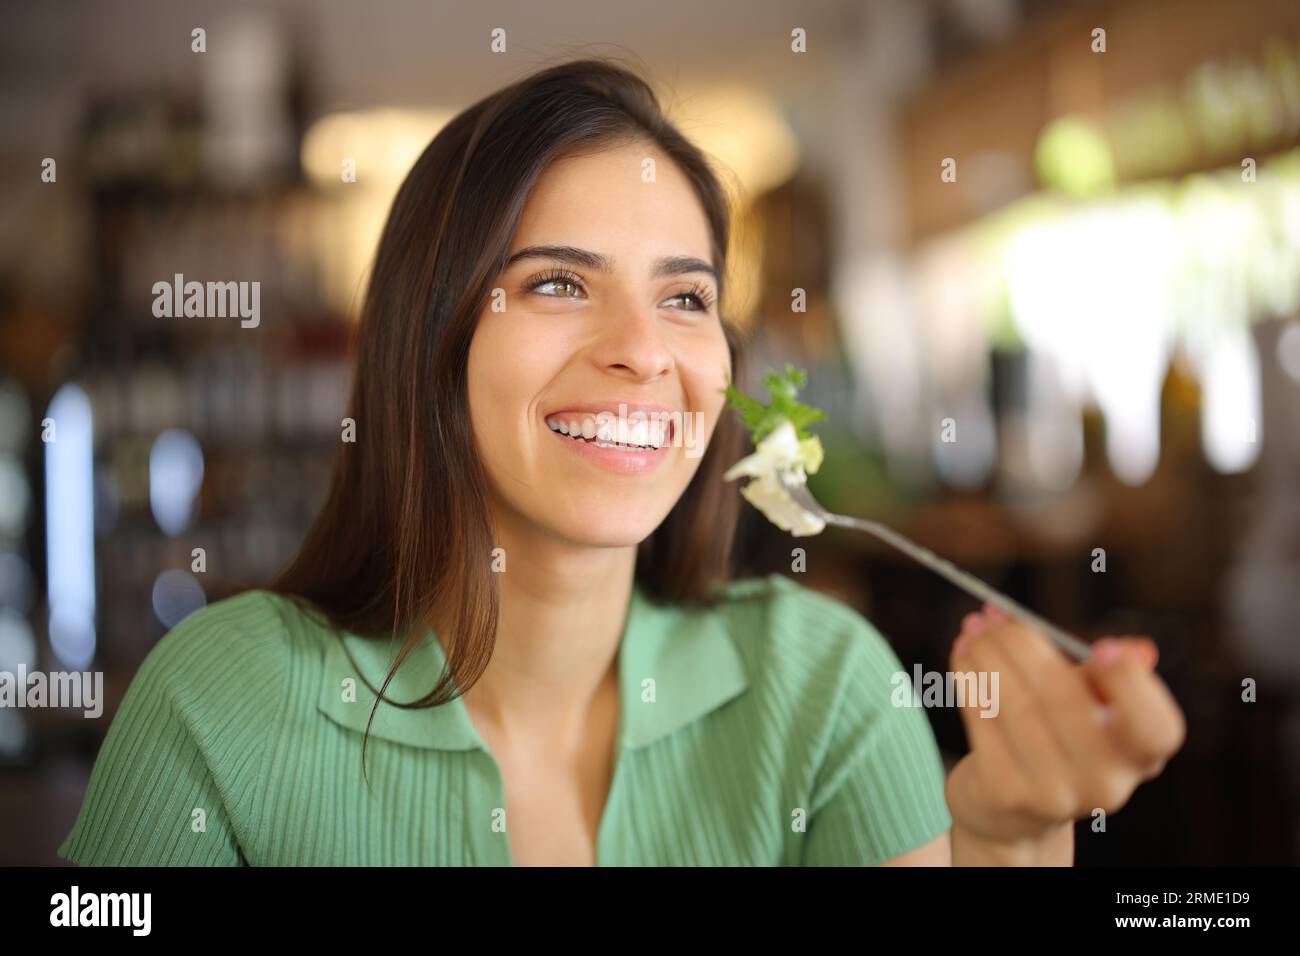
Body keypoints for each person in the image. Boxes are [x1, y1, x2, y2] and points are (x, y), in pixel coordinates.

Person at [58, 57, 1184, 867]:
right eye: (557, 281)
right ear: (430, 338)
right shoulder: (220, 705)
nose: (645, 351)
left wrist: (1004, 842)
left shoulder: (822, 687)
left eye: (685, 297)